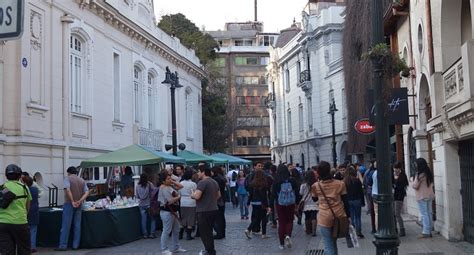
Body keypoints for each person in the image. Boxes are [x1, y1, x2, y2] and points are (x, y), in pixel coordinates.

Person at [312, 161, 350, 255]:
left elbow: (314, 198)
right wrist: (348, 216)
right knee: (333, 243)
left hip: (324, 218)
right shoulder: (340, 184)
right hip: (339, 216)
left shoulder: (316, 186)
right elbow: (345, 200)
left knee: (328, 245)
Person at [0, 164, 32, 255]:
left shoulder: (1, 188)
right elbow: (28, 206)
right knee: (24, 249)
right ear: (19, 176)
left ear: (6, 176)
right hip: (20, 223)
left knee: (6, 251)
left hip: (3, 223)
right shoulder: (24, 188)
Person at [56, 166, 89, 251]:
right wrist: (80, 201)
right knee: (77, 225)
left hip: (69, 204)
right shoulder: (82, 180)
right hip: (79, 204)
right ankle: (75, 245)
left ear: (69, 172)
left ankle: (63, 245)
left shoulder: (67, 179)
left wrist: (72, 201)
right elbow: (86, 192)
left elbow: (67, 190)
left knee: (66, 225)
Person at [191, 166, 221, 255]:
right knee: (209, 231)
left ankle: (210, 251)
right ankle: (210, 250)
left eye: (199, 172)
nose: (198, 174)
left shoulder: (202, 182)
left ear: (203, 172)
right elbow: (219, 195)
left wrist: (192, 194)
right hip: (213, 209)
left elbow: (197, 196)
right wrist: (211, 199)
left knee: (205, 233)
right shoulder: (214, 182)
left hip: (204, 210)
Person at [158, 171, 186, 255]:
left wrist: (172, 181)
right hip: (167, 212)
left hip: (174, 211)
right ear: (163, 181)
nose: (170, 180)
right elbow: (170, 201)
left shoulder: (170, 186)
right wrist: (178, 197)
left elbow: (181, 186)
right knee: (166, 230)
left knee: (176, 230)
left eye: (170, 178)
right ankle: (164, 249)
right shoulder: (163, 188)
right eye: (168, 179)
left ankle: (176, 247)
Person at [273, 164, 298, 250]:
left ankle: (281, 244)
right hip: (290, 203)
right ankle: (288, 235)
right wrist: (297, 203)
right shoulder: (292, 180)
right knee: (290, 221)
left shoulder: (276, 181)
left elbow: (272, 194)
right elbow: (297, 192)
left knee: (282, 222)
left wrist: (270, 205)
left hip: (280, 204)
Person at [411, 157, 435, 239]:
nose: (415, 165)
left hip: (422, 196)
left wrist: (412, 180)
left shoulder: (420, 174)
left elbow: (415, 186)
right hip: (429, 195)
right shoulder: (428, 173)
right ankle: (429, 230)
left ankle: (426, 232)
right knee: (429, 213)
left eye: (416, 164)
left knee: (424, 214)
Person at [244, 170, 271, 239]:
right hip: (261, 203)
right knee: (263, 218)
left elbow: (251, 194)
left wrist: (248, 202)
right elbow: (264, 196)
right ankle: (264, 234)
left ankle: (248, 229)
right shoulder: (263, 184)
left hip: (254, 202)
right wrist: (267, 205)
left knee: (256, 218)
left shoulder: (252, 183)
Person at [344, 165, 365, 238]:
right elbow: (361, 192)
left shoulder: (344, 182)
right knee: (358, 217)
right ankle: (359, 232)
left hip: (348, 201)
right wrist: (363, 202)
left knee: (351, 217)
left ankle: (352, 233)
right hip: (357, 200)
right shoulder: (357, 181)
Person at [136, 173, 157, 239]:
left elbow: (137, 196)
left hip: (141, 204)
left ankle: (145, 234)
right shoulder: (149, 184)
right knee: (153, 219)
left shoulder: (137, 186)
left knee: (143, 220)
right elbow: (154, 192)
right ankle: (152, 233)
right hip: (149, 204)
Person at [23, 175, 39, 253]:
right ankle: (33, 246)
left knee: (25, 230)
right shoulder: (35, 189)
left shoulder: (24, 190)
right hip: (35, 210)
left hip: (27, 210)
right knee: (33, 230)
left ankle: (26, 246)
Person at [179, 169, 197, 240]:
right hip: (191, 201)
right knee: (190, 218)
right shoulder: (193, 184)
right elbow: (195, 193)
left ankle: (180, 235)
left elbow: (179, 192)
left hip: (182, 201)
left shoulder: (181, 183)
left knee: (183, 218)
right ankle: (188, 235)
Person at [299, 170, 318, 236]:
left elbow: (301, 193)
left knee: (307, 217)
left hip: (306, 203)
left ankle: (308, 230)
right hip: (314, 203)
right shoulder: (316, 184)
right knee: (314, 217)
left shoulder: (303, 185)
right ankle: (314, 231)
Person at [393, 161, 409, 237]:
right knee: (394, 213)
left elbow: (401, 187)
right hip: (394, 196)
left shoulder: (402, 176)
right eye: (394, 169)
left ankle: (402, 230)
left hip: (399, 197)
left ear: (400, 168)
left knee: (397, 213)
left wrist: (395, 185)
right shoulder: (393, 175)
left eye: (396, 169)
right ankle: (395, 229)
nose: (395, 170)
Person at [211, 166, 227, 239]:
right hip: (222, 199)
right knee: (221, 218)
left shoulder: (215, 179)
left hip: (218, 200)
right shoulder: (222, 178)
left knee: (217, 218)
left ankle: (219, 233)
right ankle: (222, 233)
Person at [363, 160, 376, 233]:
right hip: (373, 193)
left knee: (373, 212)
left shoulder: (370, 172)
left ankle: (374, 228)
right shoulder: (370, 172)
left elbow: (367, 182)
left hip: (371, 193)